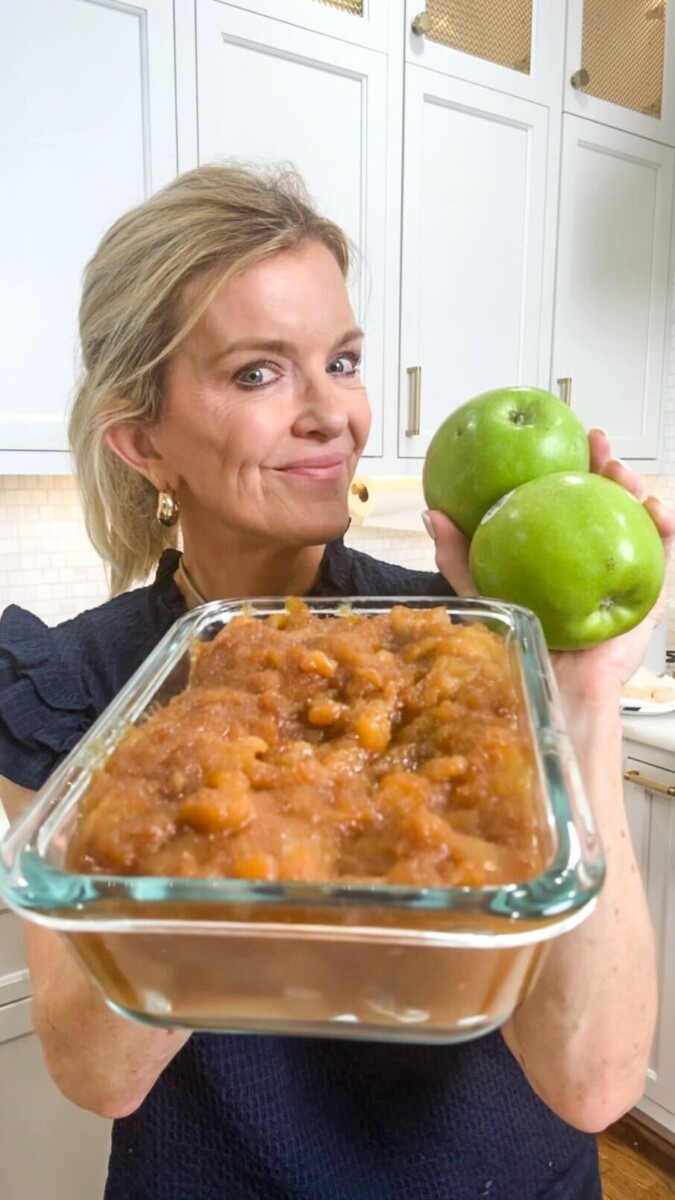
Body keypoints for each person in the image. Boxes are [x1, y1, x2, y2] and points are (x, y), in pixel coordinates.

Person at [0, 162, 670, 1200]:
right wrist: (217, 764)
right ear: (143, 440)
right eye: (258, 373)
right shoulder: (71, 680)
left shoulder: (467, 635)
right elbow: (101, 1073)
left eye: (343, 360)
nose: (332, 414)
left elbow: (592, 1084)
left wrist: (574, 689)